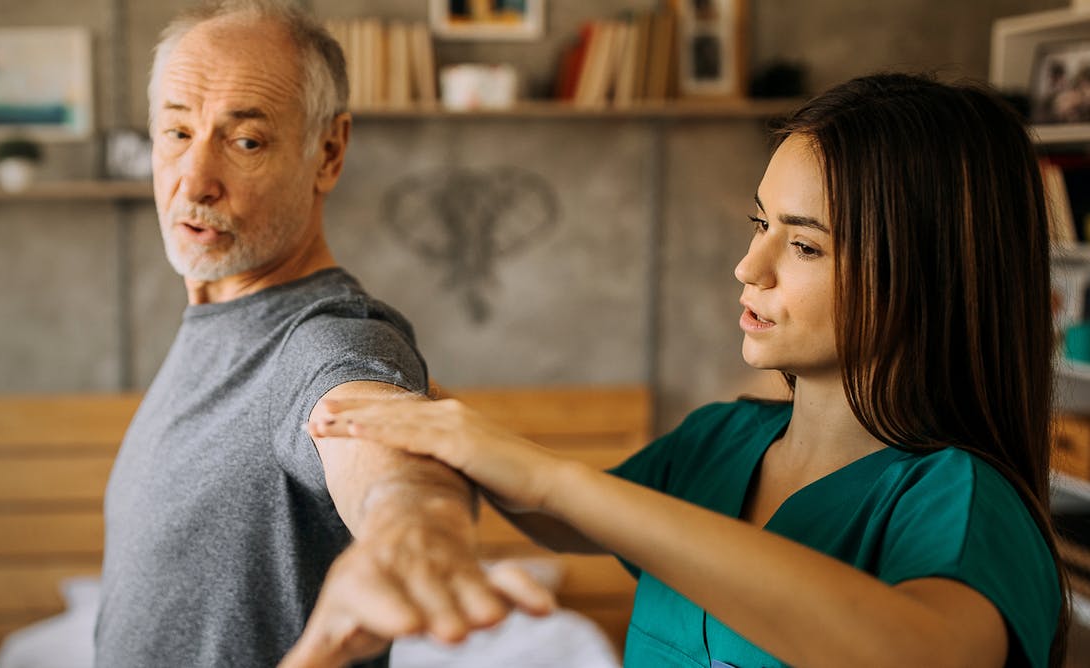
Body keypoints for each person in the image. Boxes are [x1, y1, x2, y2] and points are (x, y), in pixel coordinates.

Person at [290, 73, 1069, 667]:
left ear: (930, 275)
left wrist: (551, 475)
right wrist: (415, 406)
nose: (748, 266)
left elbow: (915, 651)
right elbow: (572, 522)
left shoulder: (963, 502)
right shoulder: (723, 439)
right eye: (760, 224)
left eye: (803, 245)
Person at [95, 1, 554, 666]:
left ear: (328, 154)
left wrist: (407, 525)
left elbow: (378, 432)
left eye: (245, 141)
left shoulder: (330, 336)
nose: (193, 181)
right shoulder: (218, 318)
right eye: (176, 133)